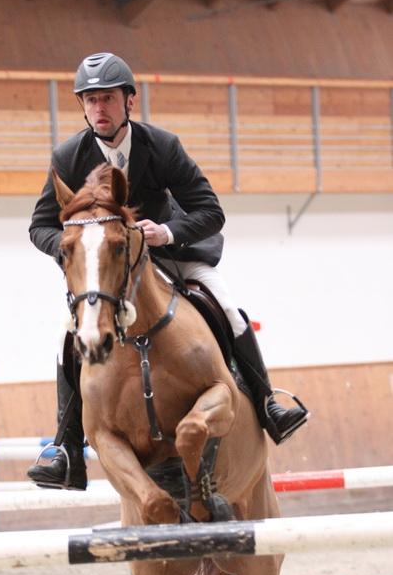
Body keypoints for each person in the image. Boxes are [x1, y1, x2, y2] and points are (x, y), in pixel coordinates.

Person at [27, 52, 308, 491]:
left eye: (107, 98)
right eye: (90, 100)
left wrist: (167, 232)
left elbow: (210, 211)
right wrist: (74, 251)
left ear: (129, 101)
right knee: (70, 338)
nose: (99, 108)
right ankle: (67, 449)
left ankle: (268, 403)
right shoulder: (68, 156)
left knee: (228, 308)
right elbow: (40, 226)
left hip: (169, 253)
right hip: (111, 268)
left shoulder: (162, 146)